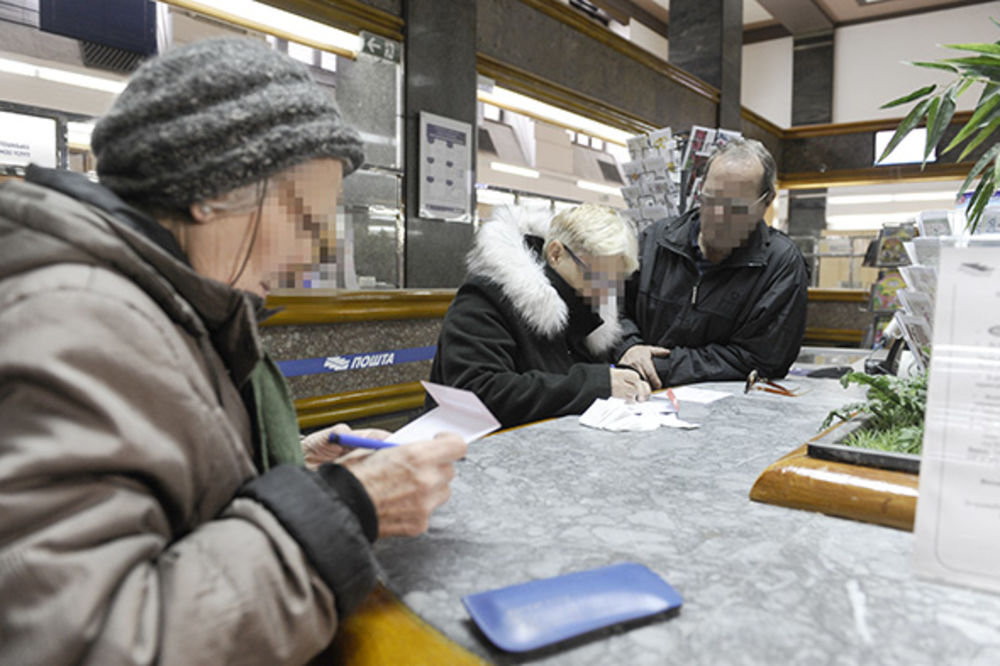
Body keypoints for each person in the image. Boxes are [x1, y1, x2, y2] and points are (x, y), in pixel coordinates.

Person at [0, 38, 466, 665]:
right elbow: (85, 642)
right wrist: (341, 510)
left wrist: (287, 469)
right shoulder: (73, 321)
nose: (314, 258)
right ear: (213, 191)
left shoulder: (156, 304)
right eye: (306, 222)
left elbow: (159, 494)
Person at [429, 204, 650, 428]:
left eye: (615, 282)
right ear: (556, 254)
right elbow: (478, 392)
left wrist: (625, 378)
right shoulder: (488, 297)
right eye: (597, 277)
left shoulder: (583, 307)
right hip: (471, 447)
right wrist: (597, 385)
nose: (605, 292)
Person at [616, 138, 808, 389]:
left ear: (766, 202)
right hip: (636, 396)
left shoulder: (781, 266)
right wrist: (631, 347)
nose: (718, 217)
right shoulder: (656, 241)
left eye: (735, 208)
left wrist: (662, 366)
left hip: (724, 413)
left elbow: (763, 358)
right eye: (711, 200)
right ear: (700, 189)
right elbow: (611, 308)